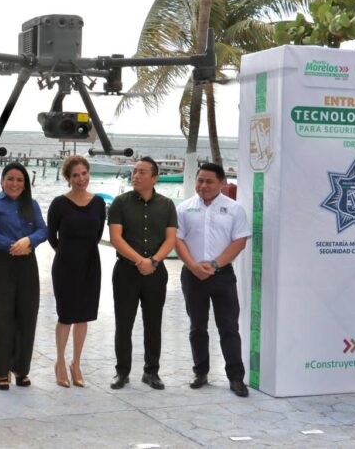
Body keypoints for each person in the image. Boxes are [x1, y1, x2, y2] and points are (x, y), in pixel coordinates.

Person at [175, 163, 251, 397]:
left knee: (229, 327)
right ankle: (200, 372)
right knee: (197, 327)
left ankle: (236, 378)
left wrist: (215, 264)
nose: (203, 185)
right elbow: (177, 240)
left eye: (209, 181)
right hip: (193, 275)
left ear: (221, 183)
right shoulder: (184, 208)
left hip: (222, 275)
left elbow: (239, 242)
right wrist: (193, 266)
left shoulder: (234, 209)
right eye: (200, 180)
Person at [108, 157, 176, 391]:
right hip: (126, 272)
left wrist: (153, 261)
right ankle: (122, 372)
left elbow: (170, 239)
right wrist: (140, 261)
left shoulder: (167, 205)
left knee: (153, 323)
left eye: (142, 172)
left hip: (156, 273)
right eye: (134, 171)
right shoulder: (120, 203)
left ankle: (151, 372)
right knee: (123, 324)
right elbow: (116, 238)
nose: (135, 176)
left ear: (155, 177)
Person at [0, 162, 48, 390]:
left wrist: (29, 241)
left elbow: (43, 230)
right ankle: (1, 370)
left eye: (19, 180)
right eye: (10, 178)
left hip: (28, 264)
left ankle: (21, 368)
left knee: (27, 317)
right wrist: (14, 246)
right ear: (2, 181)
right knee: (4, 318)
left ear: (25, 183)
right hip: (2, 264)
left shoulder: (32, 204)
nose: (14, 183)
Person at [47, 156, 106, 388]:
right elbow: (52, 236)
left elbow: (97, 233)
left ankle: (76, 363)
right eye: (75, 175)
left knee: (84, 316)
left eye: (84, 173)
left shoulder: (99, 203)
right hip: (65, 266)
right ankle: (60, 363)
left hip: (91, 264)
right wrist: (67, 253)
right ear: (68, 178)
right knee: (66, 316)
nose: (81, 179)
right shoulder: (59, 204)